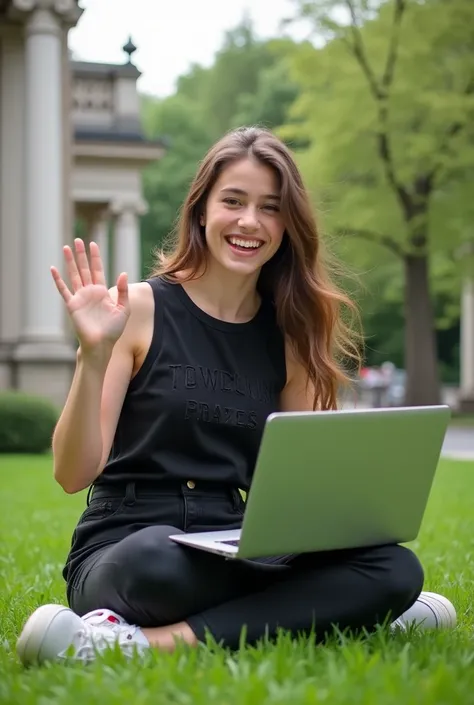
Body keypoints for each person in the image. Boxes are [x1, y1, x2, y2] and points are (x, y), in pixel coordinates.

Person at [16, 127, 455, 666]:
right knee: (158, 564)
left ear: (288, 226)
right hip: (130, 543)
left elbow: (314, 490)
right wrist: (93, 356)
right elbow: (71, 473)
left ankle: (137, 642)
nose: (250, 221)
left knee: (395, 568)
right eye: (233, 201)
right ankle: (334, 610)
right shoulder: (136, 310)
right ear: (201, 210)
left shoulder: (291, 335)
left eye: (271, 208)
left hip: (239, 544)